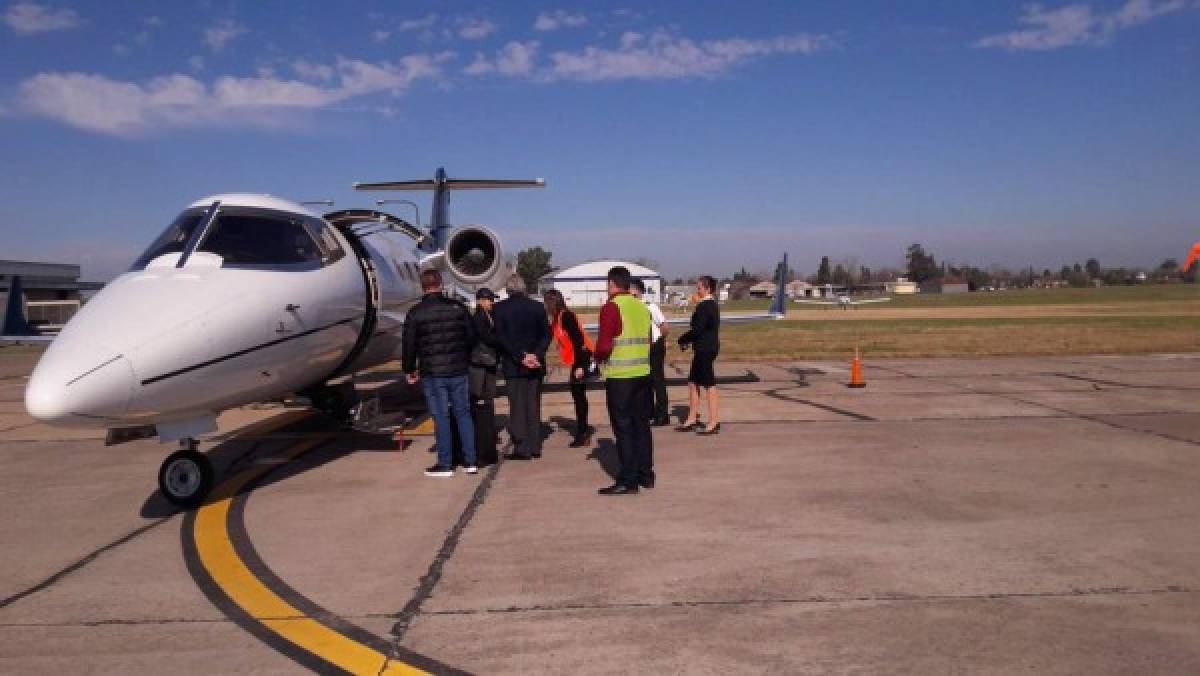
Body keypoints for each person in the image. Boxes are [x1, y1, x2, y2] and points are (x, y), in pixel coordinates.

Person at [402, 269, 478, 477]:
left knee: (441, 417)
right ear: (440, 284)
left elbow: (409, 344)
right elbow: (471, 337)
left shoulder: (416, 312)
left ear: (423, 287)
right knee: (463, 413)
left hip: (433, 372)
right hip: (458, 369)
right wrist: (464, 357)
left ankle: (445, 463)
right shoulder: (458, 308)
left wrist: (409, 369)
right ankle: (470, 461)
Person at [594, 266, 654, 495]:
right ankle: (645, 474)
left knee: (624, 428)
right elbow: (648, 339)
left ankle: (628, 480)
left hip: (621, 377)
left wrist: (596, 358)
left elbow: (604, 345)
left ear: (611, 284)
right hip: (642, 373)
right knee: (641, 425)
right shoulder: (641, 306)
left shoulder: (611, 307)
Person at [492, 274, 551, 460]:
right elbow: (546, 335)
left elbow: (501, 338)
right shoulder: (537, 307)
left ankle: (522, 447)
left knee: (517, 407)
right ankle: (535, 446)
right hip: (535, 364)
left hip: (513, 365)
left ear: (508, 289)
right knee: (533, 405)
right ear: (524, 288)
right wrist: (536, 354)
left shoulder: (499, 309)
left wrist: (520, 357)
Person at [542, 289, 596, 447]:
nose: (545, 306)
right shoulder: (557, 318)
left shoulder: (566, 316)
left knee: (579, 396)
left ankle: (583, 432)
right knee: (578, 394)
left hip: (581, 359)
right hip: (575, 360)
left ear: (552, 302)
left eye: (546, 302)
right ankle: (583, 430)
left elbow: (578, 340)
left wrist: (579, 366)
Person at [676, 275, 721, 435]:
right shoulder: (709, 305)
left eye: (700, 288)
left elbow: (698, 329)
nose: (697, 290)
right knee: (693, 382)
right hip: (704, 347)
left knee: (709, 384)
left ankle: (714, 422)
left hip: (705, 349)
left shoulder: (705, 306)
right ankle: (691, 419)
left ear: (708, 289)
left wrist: (683, 339)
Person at [630, 279, 670, 426]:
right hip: (641, 348)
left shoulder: (650, 307)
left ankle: (663, 414)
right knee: (645, 382)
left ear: (639, 291)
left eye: (632, 291)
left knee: (657, 380)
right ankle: (649, 412)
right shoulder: (631, 308)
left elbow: (664, 326)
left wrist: (659, 340)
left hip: (654, 346)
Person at [469, 288, 500, 466]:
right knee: (479, 400)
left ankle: (488, 434)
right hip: (479, 365)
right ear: (480, 300)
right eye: (489, 300)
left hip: (489, 363)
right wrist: (502, 339)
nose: (491, 302)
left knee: (488, 400)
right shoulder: (478, 318)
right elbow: (486, 337)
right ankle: (481, 436)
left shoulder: (490, 315)